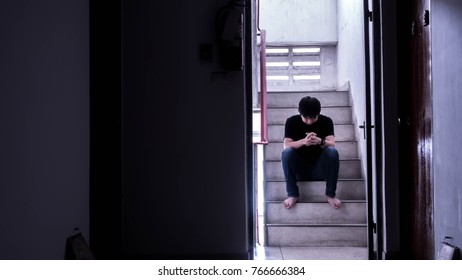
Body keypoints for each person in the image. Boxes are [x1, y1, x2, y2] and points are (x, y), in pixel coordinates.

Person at [281, 96, 341, 209]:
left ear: (318, 113)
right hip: (299, 170)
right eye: (306, 118)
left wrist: (320, 141)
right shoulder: (291, 121)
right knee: (286, 153)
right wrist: (303, 142)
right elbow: (286, 145)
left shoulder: (326, 121)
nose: (309, 121)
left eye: (313, 118)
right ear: (300, 113)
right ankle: (293, 194)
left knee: (332, 152)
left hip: (319, 170)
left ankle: (330, 195)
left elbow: (332, 144)